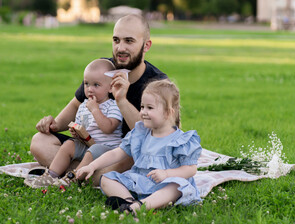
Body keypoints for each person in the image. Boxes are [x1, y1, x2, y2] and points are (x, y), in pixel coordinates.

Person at [30, 14, 167, 185]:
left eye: (129, 41)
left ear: (146, 45)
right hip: (90, 145)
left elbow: (155, 136)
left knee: (131, 158)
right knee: (39, 141)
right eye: (116, 40)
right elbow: (76, 104)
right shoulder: (103, 69)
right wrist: (54, 125)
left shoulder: (158, 84)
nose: (120, 48)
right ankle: (83, 174)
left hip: (121, 154)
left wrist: (122, 100)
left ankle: (76, 173)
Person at [76, 80, 202, 215]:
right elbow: (116, 153)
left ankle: (142, 205)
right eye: (142, 107)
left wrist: (167, 174)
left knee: (176, 186)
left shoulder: (181, 140)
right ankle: (128, 203)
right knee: (107, 179)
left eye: (150, 108)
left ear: (168, 112)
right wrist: (92, 166)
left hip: (165, 184)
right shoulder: (141, 133)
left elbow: (190, 169)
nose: (143, 112)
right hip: (140, 181)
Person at [25, 59, 123, 188]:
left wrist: (95, 110)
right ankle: (51, 175)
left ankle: (72, 178)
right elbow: (83, 126)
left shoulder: (113, 105)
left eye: (96, 85)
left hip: (107, 149)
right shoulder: (83, 105)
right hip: (87, 144)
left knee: (93, 150)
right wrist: (76, 132)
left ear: (111, 87)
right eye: (86, 84)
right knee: (69, 144)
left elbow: (108, 128)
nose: (90, 89)